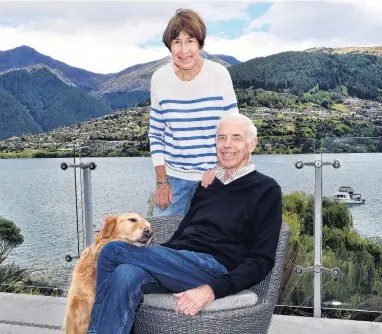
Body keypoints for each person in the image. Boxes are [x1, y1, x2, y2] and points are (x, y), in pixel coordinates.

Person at [87, 113, 282, 334]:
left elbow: (262, 260)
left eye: (236, 138)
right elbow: (182, 234)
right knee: (124, 275)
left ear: (252, 144)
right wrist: (158, 255)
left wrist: (212, 290)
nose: (227, 145)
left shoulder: (267, 190)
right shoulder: (208, 185)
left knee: (112, 249)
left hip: (214, 268)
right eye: (221, 138)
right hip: (179, 264)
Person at [148, 8, 239, 217]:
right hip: (173, 179)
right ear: (169, 46)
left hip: (214, 175)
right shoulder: (159, 79)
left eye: (189, 41)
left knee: (215, 242)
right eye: (176, 42)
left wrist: (218, 168)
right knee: (162, 241)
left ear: (200, 43)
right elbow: (156, 134)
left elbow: (234, 130)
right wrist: (162, 181)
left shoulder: (219, 75)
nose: (183, 50)